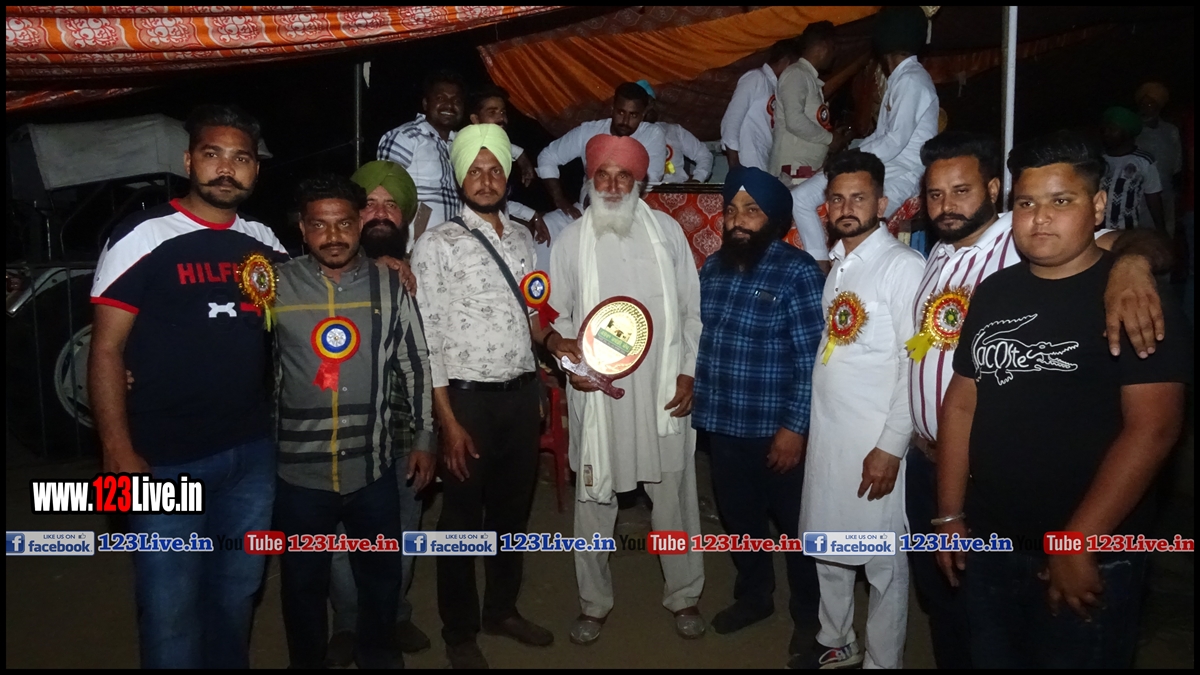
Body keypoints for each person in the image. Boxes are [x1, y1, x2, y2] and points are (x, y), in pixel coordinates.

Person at [905, 131, 1169, 670]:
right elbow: (962, 401)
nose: (1041, 217)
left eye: (1061, 201)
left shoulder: (1129, 296)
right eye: (1027, 204)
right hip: (988, 538)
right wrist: (949, 515)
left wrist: (1078, 541)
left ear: (1097, 205)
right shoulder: (991, 289)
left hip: (1092, 547)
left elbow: (1153, 428)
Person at [88, 104, 287, 669]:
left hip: (250, 456)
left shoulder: (263, 240)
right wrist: (116, 450)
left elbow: (318, 292)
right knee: (169, 607)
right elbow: (105, 349)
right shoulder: (143, 234)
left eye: (240, 158)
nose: (226, 168)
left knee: (236, 594)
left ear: (255, 170)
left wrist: (385, 262)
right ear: (188, 161)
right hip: (161, 459)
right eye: (212, 154)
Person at [545, 134, 705, 645]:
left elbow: (691, 311)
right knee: (594, 501)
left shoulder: (668, 233)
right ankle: (593, 602)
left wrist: (688, 372)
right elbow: (556, 318)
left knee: (674, 498)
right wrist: (567, 360)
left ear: (640, 182)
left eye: (624, 176)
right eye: (603, 176)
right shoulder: (571, 240)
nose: (613, 186)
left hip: (662, 394)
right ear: (590, 181)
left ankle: (684, 594)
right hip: (598, 396)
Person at [272, 174, 434, 669]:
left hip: (373, 469)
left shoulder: (391, 284)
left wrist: (424, 436)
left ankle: (378, 656)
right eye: (320, 225)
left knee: (381, 578)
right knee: (302, 585)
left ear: (359, 224)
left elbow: (415, 363)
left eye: (344, 223)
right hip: (300, 473)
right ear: (303, 229)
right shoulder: (275, 286)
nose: (333, 235)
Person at [411, 123, 555, 669]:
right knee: (461, 520)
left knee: (511, 514)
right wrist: (447, 422)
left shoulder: (522, 238)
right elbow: (429, 339)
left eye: (495, 170)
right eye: (475, 170)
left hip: (520, 396)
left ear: (507, 178)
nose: (486, 179)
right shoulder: (437, 243)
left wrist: (548, 360)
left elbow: (532, 318)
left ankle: (501, 610)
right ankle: (459, 629)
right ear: (460, 178)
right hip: (466, 400)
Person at [793, 150, 924, 670]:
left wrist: (891, 446)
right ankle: (837, 638)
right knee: (829, 541)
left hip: (875, 440)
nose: (847, 208)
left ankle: (883, 661)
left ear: (882, 204)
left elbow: (915, 362)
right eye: (837, 199)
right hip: (831, 436)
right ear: (826, 207)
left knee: (883, 562)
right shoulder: (840, 266)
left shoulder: (901, 267)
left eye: (859, 198)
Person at [691, 166, 825, 660]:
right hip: (724, 427)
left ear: (775, 220)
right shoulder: (713, 267)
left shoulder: (799, 271)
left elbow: (811, 360)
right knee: (741, 520)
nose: (738, 220)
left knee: (795, 530)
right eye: (731, 210)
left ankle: (811, 618)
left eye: (751, 210)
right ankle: (754, 597)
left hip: (776, 431)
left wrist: (795, 428)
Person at [324, 160, 432, 664]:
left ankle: (393, 615)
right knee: (342, 539)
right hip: (341, 432)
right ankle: (348, 623)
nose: (382, 213)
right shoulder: (321, 270)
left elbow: (425, 362)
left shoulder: (420, 272)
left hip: (404, 430)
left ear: (405, 216)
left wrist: (428, 434)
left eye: (392, 205)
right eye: (370, 203)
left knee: (403, 532)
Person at [791, 6, 939, 270]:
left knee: (861, 220)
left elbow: (895, 141)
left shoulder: (912, 80)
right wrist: (850, 157)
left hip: (901, 173)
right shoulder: (900, 78)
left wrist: (850, 158)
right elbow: (883, 139)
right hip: (876, 166)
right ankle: (821, 266)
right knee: (800, 197)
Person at [537, 82, 668, 219]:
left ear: (643, 114)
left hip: (630, 213)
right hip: (585, 211)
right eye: (621, 112)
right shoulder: (589, 131)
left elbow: (650, 180)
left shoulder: (652, 135)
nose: (625, 121)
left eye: (633, 115)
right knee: (547, 225)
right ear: (612, 108)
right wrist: (560, 200)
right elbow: (548, 156)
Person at [378, 70, 466, 247]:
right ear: (426, 103)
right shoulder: (406, 137)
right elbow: (384, 193)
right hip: (415, 247)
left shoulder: (460, 144)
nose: (449, 105)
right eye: (441, 98)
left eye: (456, 101)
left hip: (455, 246)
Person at [467, 85, 551, 244]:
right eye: (492, 112)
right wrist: (520, 155)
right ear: (475, 120)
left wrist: (532, 215)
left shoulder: (497, 153)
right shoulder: (470, 155)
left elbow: (498, 200)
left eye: (503, 112)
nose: (501, 118)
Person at [769, 22, 845, 188]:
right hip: (792, 174)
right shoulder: (796, 74)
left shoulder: (807, 77)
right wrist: (830, 139)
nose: (834, 54)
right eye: (833, 48)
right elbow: (794, 120)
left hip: (803, 172)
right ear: (823, 47)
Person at [721, 39, 798, 172]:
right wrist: (735, 165)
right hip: (747, 161)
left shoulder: (775, 88)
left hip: (763, 161)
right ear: (785, 62)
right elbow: (732, 118)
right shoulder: (756, 78)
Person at [1101, 106, 1166, 233]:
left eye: (1112, 129)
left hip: (1128, 232)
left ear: (1127, 133)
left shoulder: (1144, 160)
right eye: (1105, 129)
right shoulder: (1098, 159)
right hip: (1098, 231)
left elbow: (1153, 198)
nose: (1106, 133)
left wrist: (1161, 230)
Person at [636, 80, 714, 185]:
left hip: (678, 190)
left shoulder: (673, 130)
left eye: (651, 102)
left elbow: (704, 154)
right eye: (644, 104)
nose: (649, 108)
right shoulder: (628, 136)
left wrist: (697, 179)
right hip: (646, 192)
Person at [1134, 81, 1183, 234]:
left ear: (1159, 106)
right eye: (1143, 104)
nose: (1146, 108)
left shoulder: (1170, 131)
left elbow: (1177, 164)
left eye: (1151, 104)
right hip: (1139, 195)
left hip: (1165, 192)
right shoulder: (1134, 130)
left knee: (1165, 235)